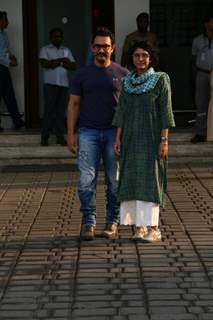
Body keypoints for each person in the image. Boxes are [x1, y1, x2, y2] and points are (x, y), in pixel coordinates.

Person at [67, 27, 128, 241]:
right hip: (88, 133)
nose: (101, 49)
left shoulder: (123, 74)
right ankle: (88, 222)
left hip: (114, 134)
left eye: (106, 46)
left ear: (113, 48)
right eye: (98, 46)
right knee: (86, 179)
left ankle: (112, 221)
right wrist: (71, 134)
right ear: (92, 48)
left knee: (114, 180)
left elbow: (128, 108)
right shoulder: (82, 75)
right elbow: (73, 104)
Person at [113, 41, 175, 242]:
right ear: (131, 58)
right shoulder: (127, 82)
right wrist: (118, 137)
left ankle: (154, 228)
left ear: (151, 58)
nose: (141, 59)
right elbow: (121, 111)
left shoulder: (160, 79)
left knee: (150, 180)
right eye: (137, 55)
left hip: (151, 138)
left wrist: (164, 140)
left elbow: (166, 112)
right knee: (132, 179)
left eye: (144, 56)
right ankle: (139, 227)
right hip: (130, 139)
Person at [39, 28, 76, 146]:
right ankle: (45, 137)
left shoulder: (66, 50)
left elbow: (73, 66)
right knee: (49, 111)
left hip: (63, 85)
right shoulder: (45, 49)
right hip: (50, 85)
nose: (57, 38)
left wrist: (56, 63)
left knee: (61, 112)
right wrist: (62, 61)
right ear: (51, 38)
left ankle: (60, 137)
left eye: (59, 36)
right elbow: (45, 64)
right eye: (55, 36)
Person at [0, 11, 25, 129]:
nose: (7, 22)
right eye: (5, 19)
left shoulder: (3, 33)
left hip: (3, 68)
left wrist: (11, 56)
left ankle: (17, 121)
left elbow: (4, 49)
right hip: (1, 67)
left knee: (9, 95)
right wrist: (10, 62)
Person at [190, 14, 213, 143]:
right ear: (206, 24)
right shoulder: (197, 40)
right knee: (201, 104)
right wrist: (193, 78)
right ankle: (200, 132)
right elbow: (192, 61)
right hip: (202, 73)